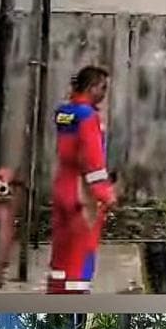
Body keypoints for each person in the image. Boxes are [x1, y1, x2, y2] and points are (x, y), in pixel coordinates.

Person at [49, 65, 116, 294]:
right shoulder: (89, 117)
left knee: (61, 248)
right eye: (102, 87)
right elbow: (93, 160)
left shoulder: (64, 113)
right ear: (91, 87)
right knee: (82, 249)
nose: (104, 93)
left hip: (62, 186)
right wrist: (105, 194)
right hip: (82, 192)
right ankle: (76, 297)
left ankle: (57, 292)